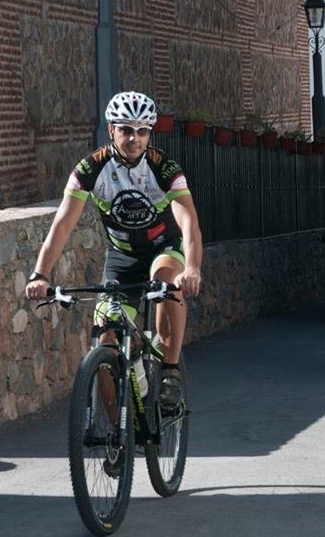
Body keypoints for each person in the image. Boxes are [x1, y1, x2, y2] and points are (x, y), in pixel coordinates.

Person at [25, 91, 203, 411]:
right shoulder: (91, 169)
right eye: (126, 129)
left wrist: (191, 268)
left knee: (166, 281)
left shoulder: (165, 169)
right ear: (111, 130)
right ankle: (115, 435)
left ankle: (170, 371)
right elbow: (62, 225)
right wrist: (40, 273)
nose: (134, 138)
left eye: (143, 131)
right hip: (122, 258)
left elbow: (188, 222)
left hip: (163, 248)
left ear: (150, 133)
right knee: (105, 338)